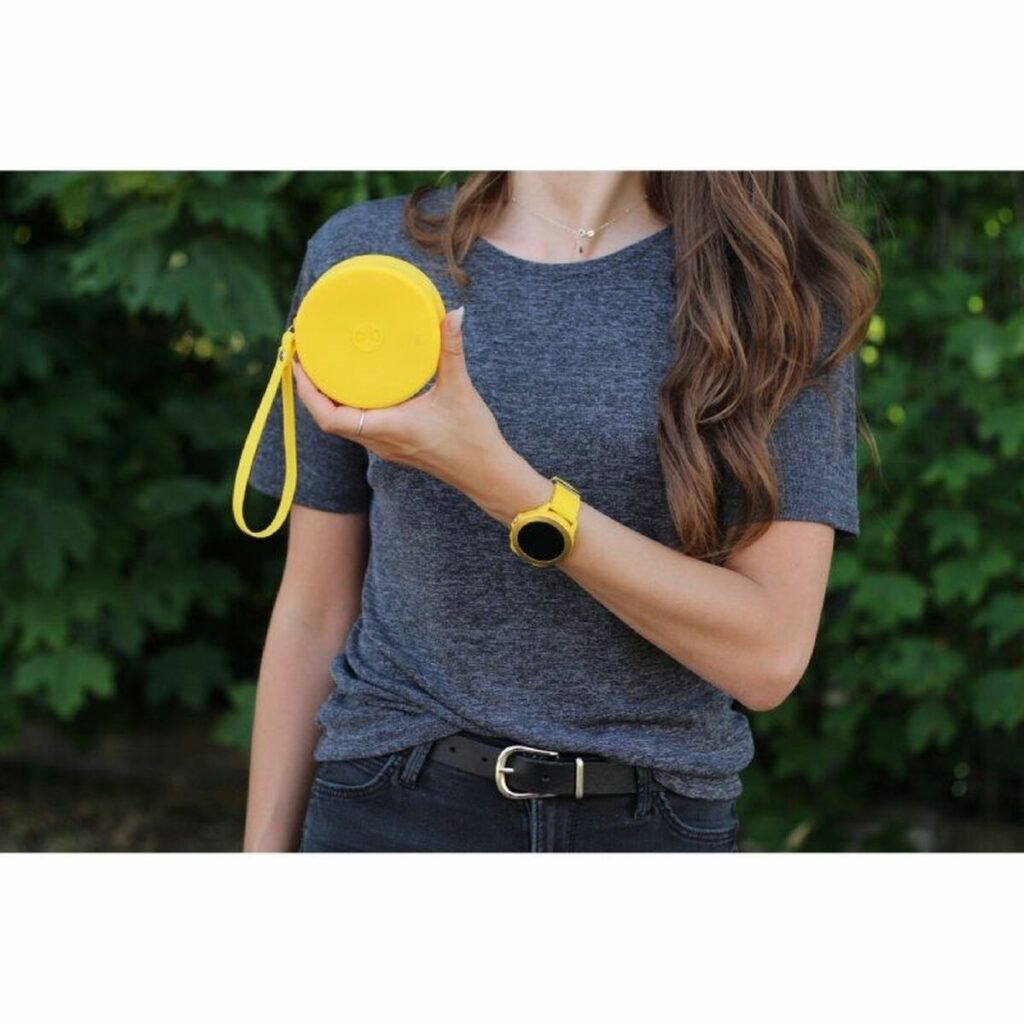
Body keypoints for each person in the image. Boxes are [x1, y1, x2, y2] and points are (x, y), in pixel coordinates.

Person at [241, 171, 881, 853]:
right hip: (389, 806)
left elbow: (768, 656)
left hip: (653, 826)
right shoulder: (367, 260)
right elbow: (314, 610)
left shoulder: (777, 285)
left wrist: (501, 484)